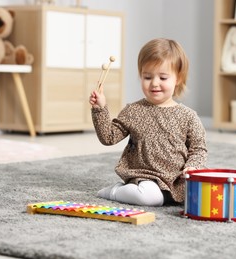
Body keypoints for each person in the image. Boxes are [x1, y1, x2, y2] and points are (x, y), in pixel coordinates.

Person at [89, 38, 208, 207]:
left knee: (204, 196)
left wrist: (193, 167)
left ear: (178, 78)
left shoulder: (188, 116)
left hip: (176, 182)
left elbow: (198, 149)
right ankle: (114, 191)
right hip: (145, 176)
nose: (154, 83)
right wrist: (100, 109)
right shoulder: (133, 111)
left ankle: (158, 195)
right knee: (151, 198)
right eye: (147, 77)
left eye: (163, 77)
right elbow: (108, 137)